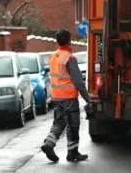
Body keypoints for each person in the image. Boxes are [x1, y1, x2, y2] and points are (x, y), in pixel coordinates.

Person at [41, 29, 91, 162]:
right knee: (73, 125)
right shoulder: (69, 58)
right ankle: (72, 153)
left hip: (57, 97)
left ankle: (48, 144)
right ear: (69, 41)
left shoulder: (54, 56)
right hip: (69, 97)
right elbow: (78, 81)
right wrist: (87, 98)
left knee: (59, 122)